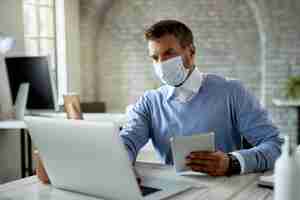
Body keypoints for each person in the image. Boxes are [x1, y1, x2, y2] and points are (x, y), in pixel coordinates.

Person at [36, 20, 282, 183]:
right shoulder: (149, 102)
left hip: (227, 191)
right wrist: (115, 162)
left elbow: (275, 145)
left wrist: (232, 162)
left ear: (191, 52)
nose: (161, 64)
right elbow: (128, 142)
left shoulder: (231, 92)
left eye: (168, 54)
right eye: (154, 58)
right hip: (176, 193)